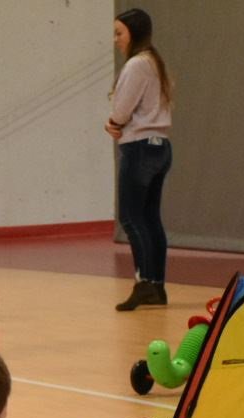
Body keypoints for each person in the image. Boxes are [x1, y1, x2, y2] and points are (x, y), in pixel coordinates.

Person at [106, 8, 172, 312]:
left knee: (132, 218)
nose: (116, 40)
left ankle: (144, 282)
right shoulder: (154, 62)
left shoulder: (136, 65)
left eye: (119, 33)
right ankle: (157, 285)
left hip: (140, 147)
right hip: (161, 147)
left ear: (133, 32)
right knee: (150, 218)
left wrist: (113, 123)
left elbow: (122, 108)